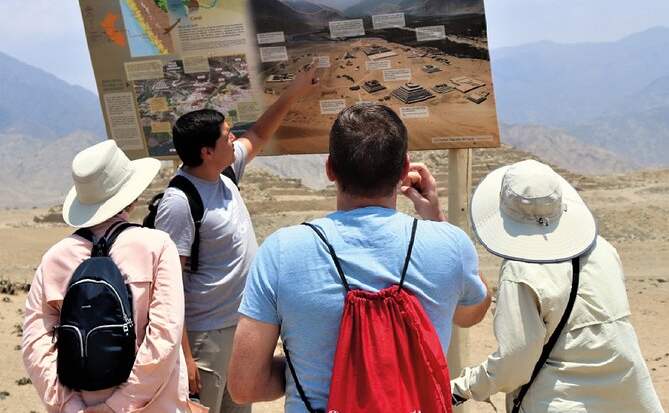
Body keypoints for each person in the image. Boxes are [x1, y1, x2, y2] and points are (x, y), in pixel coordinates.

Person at [227, 103, 492, 411]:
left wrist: (308, 363)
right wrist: (436, 218)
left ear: (330, 169)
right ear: (405, 169)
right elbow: (471, 313)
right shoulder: (450, 245)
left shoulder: (281, 251)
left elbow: (245, 386)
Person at [154, 63, 320, 413]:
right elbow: (168, 287)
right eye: (227, 135)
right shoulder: (180, 203)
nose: (234, 139)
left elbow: (258, 135)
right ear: (206, 152)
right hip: (205, 339)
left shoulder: (225, 172)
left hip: (241, 329)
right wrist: (184, 356)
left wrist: (295, 90)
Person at [451, 159, 664, 412]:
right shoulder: (604, 249)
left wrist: (462, 388)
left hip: (559, 401)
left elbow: (515, 361)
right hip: (629, 397)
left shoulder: (520, 269)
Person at [22, 139, 205, 413]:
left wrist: (71, 406)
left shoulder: (54, 258)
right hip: (154, 405)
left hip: (81, 404)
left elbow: (35, 345)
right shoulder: (156, 246)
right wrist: (119, 405)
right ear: (130, 198)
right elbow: (165, 336)